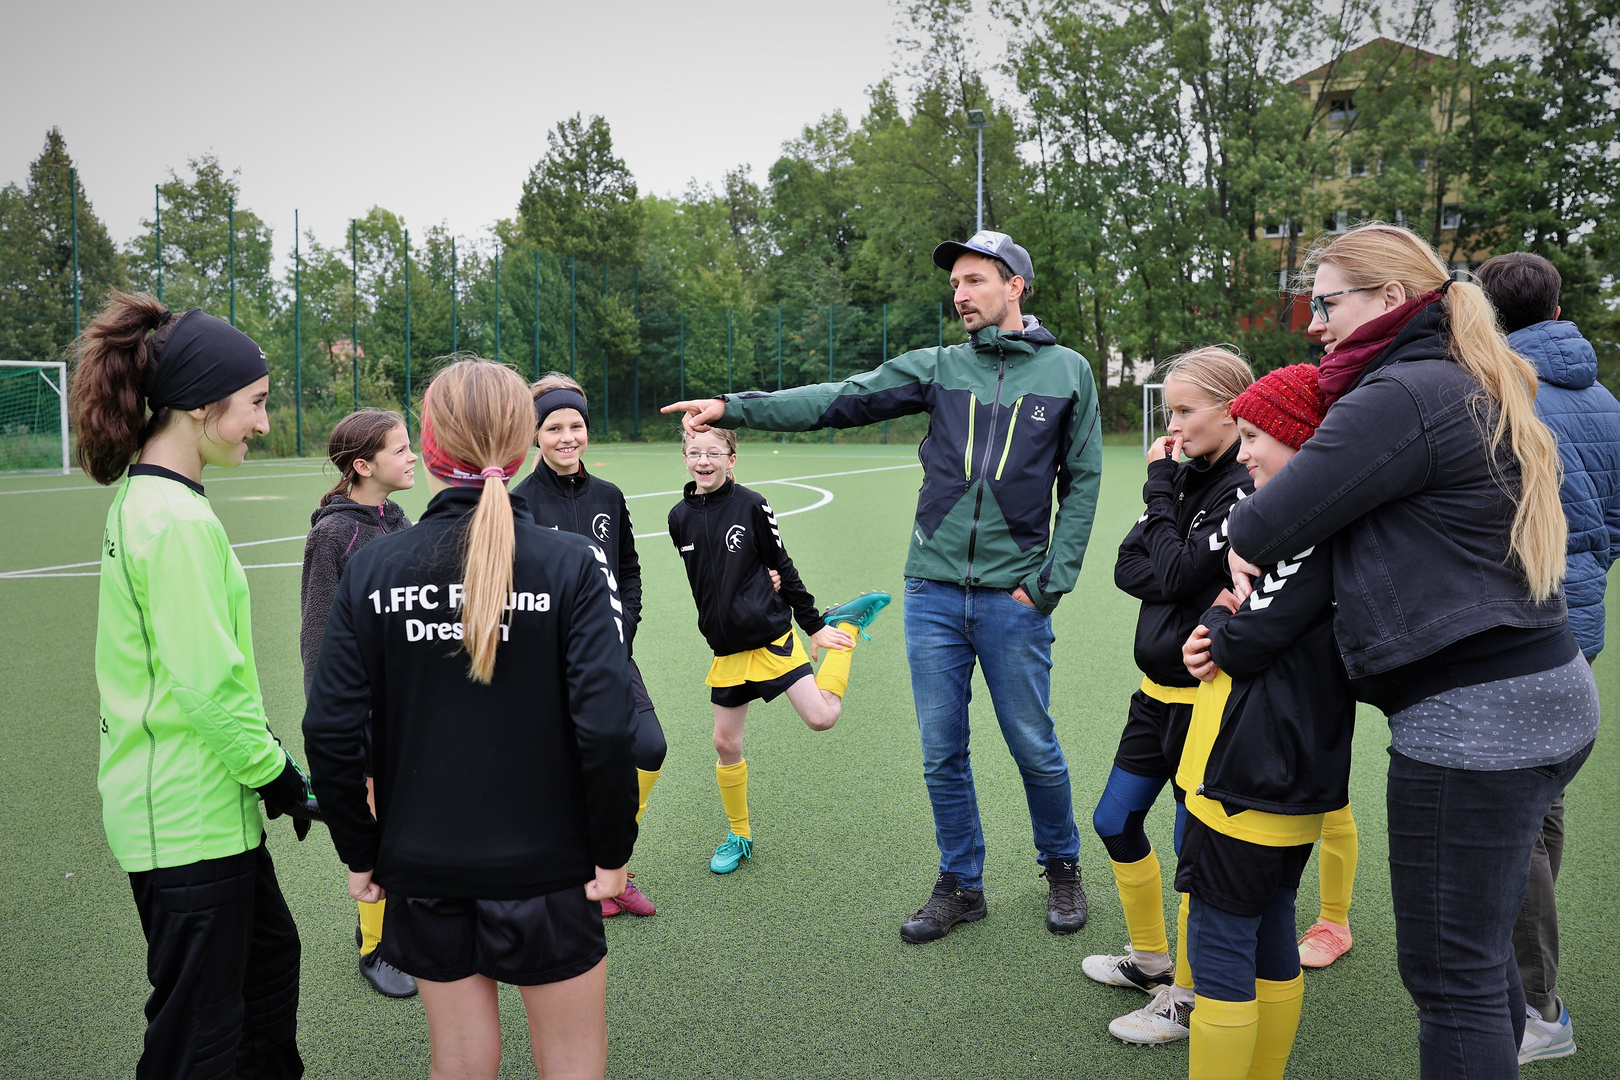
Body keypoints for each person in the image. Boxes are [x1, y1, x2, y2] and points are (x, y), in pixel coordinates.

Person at [1226, 224, 1598, 1079]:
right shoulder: (1459, 377)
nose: (1312, 322)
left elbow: (1263, 520)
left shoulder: (1400, 394)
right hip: (1549, 691)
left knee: (1450, 976)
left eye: (1325, 302)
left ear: (1389, 301)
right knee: (1482, 957)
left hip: (1477, 724)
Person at [664, 230, 1102, 941]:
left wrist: (1049, 584)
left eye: (974, 280)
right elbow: (840, 400)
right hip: (931, 593)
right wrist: (734, 407)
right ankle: (962, 884)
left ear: (1015, 284)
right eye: (955, 283)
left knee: (1032, 742)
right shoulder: (938, 367)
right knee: (941, 750)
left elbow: (1083, 483)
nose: (959, 294)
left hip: (1014, 598)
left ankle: (1062, 867)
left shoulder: (1068, 372)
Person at [303, 359, 638, 1080]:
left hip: (424, 866)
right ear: (520, 449)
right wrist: (612, 852)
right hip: (551, 869)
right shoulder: (572, 563)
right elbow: (609, 727)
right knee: (573, 1062)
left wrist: (362, 853)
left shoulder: (376, 568)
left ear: (427, 450)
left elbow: (330, 729)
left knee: (458, 1063)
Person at [73, 292, 319, 1079]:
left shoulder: (158, 500)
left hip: (209, 811)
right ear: (200, 403)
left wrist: (263, 777)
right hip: (185, 820)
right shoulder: (172, 521)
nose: (262, 423)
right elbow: (208, 688)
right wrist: (278, 774)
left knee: (269, 968)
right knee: (198, 1038)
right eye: (255, 404)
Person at [1178, 362, 1355, 1080]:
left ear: (1302, 439)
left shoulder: (1312, 534)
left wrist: (1220, 623)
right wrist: (1223, 620)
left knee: (1222, 949)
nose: (1244, 451)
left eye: (1257, 436)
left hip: (1257, 771)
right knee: (1272, 929)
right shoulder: (1319, 525)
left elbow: (1247, 639)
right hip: (1296, 770)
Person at [1086, 346, 1253, 1045]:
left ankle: (1186, 994)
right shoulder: (1185, 479)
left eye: (1186, 411)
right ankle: (1152, 959)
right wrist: (1176, 564)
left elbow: (1180, 563)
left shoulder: (1243, 487)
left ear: (1231, 408)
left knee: (1195, 849)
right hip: (1153, 693)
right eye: (1170, 411)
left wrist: (1159, 498)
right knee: (1114, 820)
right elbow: (1137, 566)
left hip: (1205, 704)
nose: (1173, 425)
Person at [1477, 250, 1620, 1064]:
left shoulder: (1505, 393)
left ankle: (1538, 1007)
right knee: (1546, 791)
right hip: (1581, 619)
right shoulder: (1602, 395)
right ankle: (1531, 965)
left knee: (1515, 808)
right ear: (1558, 307)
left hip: (1523, 616)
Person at [667, 425, 891, 873]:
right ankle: (739, 835)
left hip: (770, 637)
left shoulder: (752, 504)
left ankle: (841, 624)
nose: (704, 461)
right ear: (685, 458)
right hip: (726, 648)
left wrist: (812, 624)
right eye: (695, 453)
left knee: (822, 717)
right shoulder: (678, 516)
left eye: (714, 453)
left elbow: (779, 563)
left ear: (733, 459)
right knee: (724, 742)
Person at [512, 372, 663, 917]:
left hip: (610, 654)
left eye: (576, 425)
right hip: (547, 662)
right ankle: (579, 873)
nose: (567, 436)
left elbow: (629, 569)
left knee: (648, 747)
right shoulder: (518, 502)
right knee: (564, 766)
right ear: (535, 436)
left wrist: (623, 633)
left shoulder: (608, 496)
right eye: (554, 427)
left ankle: (612, 865)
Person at [298, 407, 418, 998]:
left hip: (407, 708)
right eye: (400, 449)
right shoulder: (333, 533)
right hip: (364, 712)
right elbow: (318, 636)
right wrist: (340, 724)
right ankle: (377, 943)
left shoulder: (397, 519)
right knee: (376, 828)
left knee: (406, 817)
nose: (413, 455)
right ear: (364, 466)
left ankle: (398, 922)